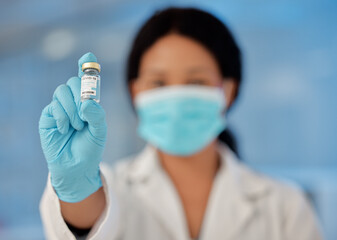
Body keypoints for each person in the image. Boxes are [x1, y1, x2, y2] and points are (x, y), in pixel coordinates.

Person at [39, 7, 322, 240]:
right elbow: (85, 224)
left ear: (228, 90)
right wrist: (77, 190)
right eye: (158, 83)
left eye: (196, 82)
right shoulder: (109, 189)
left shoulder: (285, 206)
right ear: (136, 92)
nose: (175, 96)